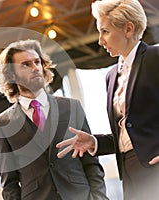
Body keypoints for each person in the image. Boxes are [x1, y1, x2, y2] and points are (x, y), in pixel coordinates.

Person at [56, 0, 159, 199]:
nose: (100, 41)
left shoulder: (156, 58)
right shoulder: (111, 75)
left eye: (105, 31)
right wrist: (94, 142)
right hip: (130, 173)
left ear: (128, 29)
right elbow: (131, 132)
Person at [0, 39, 108, 200]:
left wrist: (99, 197)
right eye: (26, 64)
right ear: (12, 74)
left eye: (37, 62)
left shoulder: (71, 107)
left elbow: (91, 162)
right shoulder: (3, 123)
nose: (35, 68)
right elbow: (9, 184)